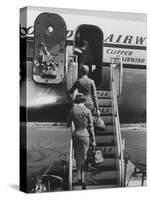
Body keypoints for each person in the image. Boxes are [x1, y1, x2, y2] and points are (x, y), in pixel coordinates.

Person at [67, 93, 96, 189]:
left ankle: (79, 177)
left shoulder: (73, 110)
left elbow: (67, 124)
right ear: (84, 101)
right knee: (85, 158)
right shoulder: (87, 111)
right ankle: (84, 180)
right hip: (85, 135)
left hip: (76, 135)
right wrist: (93, 140)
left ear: (76, 101)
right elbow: (91, 127)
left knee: (78, 157)